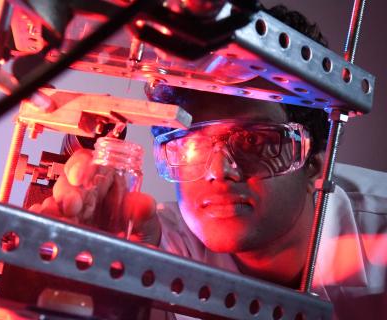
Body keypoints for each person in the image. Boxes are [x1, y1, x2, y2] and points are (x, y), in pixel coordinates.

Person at [31, 5, 387, 319]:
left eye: (251, 141)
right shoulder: (158, 240)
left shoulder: (380, 244)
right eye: (193, 145)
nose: (218, 172)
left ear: (313, 163)